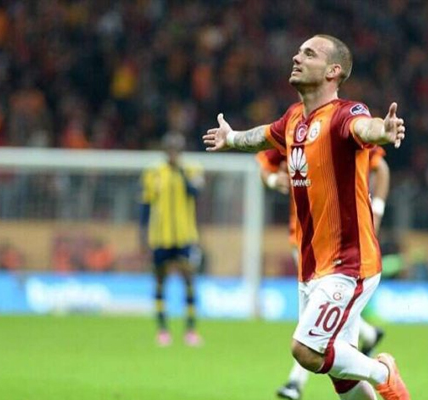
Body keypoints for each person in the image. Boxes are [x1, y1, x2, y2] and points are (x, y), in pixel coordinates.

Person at [203, 34, 409, 400]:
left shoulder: (345, 114)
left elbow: (366, 127)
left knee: (307, 350)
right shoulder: (294, 119)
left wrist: (383, 130)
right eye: (298, 51)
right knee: (342, 378)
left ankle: (383, 372)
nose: (297, 58)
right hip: (313, 264)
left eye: (309, 54)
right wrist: (232, 138)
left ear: (333, 71)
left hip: (350, 262)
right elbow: (263, 137)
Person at [258, 147, 391, 400]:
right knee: (332, 351)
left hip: (342, 248)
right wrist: (274, 180)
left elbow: (380, 166)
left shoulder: (343, 130)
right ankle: (370, 336)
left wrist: (378, 210)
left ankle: (296, 381)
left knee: (311, 336)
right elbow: (265, 166)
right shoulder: (292, 130)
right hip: (304, 241)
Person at [140, 132, 205, 347]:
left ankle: (190, 330)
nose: (173, 153)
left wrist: (181, 172)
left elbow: (194, 192)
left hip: (185, 235)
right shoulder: (153, 173)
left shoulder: (192, 170)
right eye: (170, 149)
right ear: (165, 150)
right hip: (160, 236)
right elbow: (146, 205)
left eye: (177, 149)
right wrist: (142, 235)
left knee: (189, 279)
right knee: (160, 280)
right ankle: (162, 329)